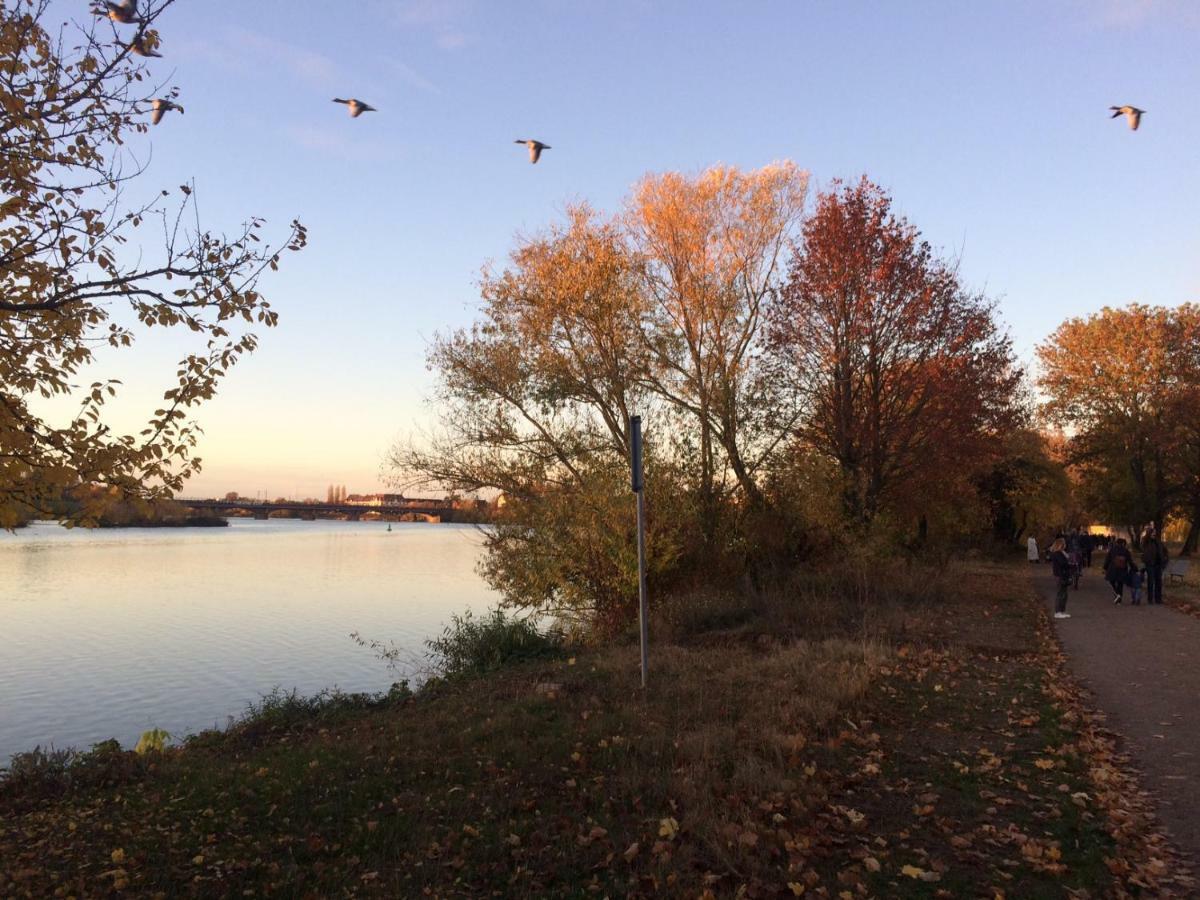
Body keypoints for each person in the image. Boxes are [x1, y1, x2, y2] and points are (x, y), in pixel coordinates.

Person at [1142, 527, 1169, 605]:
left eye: (1155, 532)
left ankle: (1158, 599)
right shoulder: (1146, 541)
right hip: (1150, 565)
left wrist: (1165, 560)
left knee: (1159, 582)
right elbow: (1144, 550)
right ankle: (1150, 599)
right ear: (1149, 533)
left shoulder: (1158, 542)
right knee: (1150, 582)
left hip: (1158, 564)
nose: (1154, 534)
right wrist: (1147, 561)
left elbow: (1165, 551)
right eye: (1152, 532)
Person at [1104, 537, 1135, 604]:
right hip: (1122, 569)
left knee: (1112, 581)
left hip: (1113, 569)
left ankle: (1117, 595)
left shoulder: (1112, 550)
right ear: (1123, 543)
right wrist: (1134, 568)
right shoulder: (1126, 551)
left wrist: (1105, 567)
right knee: (1120, 584)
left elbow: (1108, 559)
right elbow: (1130, 561)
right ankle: (1119, 598)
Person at [1049, 538, 1072, 619]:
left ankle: (1062, 611)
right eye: (1064, 544)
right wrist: (1069, 564)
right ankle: (1058, 611)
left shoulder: (1061, 553)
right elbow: (1062, 563)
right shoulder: (1057, 553)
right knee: (1061, 593)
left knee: (1064, 594)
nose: (1065, 545)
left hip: (1063, 574)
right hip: (1060, 575)